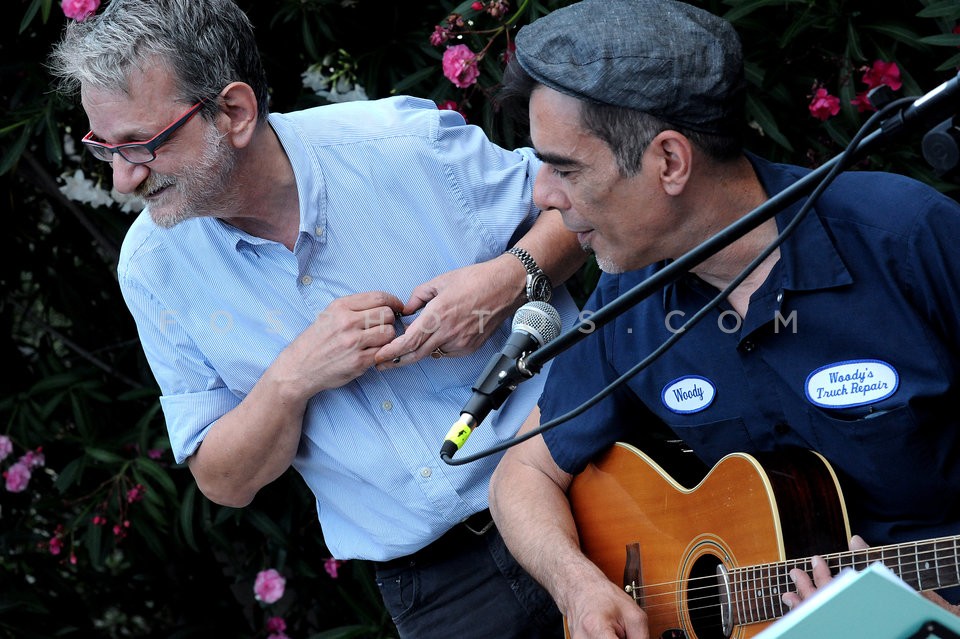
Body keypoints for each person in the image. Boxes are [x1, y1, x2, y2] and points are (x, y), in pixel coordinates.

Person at [47, 1, 585, 637]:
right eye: (104, 148)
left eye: (141, 145)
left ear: (234, 112)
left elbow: (591, 204)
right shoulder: (151, 267)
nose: (121, 179)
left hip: (586, 485)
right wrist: (292, 378)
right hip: (440, 588)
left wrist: (507, 278)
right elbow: (224, 481)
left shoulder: (402, 143)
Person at [486, 0, 960, 637]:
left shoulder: (905, 239)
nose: (543, 194)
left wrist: (940, 618)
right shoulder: (629, 301)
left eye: (565, 167)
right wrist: (579, 587)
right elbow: (521, 473)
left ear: (670, 161)